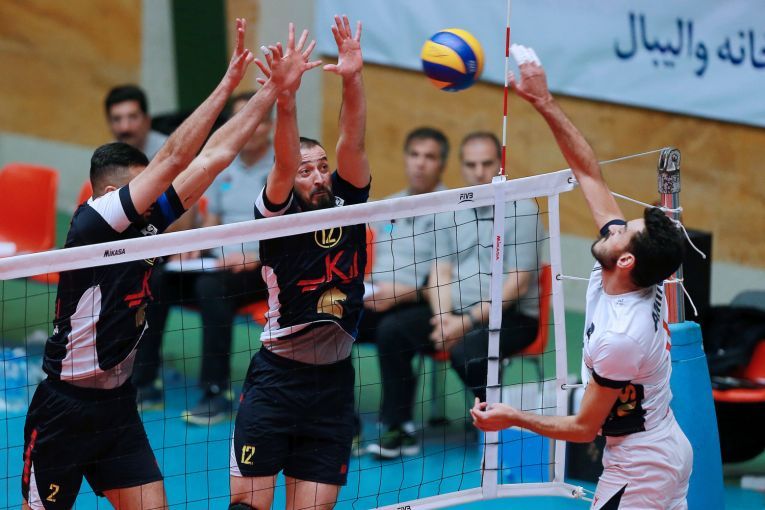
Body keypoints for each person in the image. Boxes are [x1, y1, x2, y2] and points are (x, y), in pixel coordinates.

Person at [22, 20, 316, 510]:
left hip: (117, 407)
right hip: (64, 409)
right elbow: (177, 156)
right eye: (145, 187)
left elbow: (213, 157)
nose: (155, 196)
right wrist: (226, 83)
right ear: (113, 193)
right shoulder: (94, 222)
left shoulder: (144, 224)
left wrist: (271, 92)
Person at [471, 45, 692, 509]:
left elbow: (583, 428)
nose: (613, 227)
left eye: (623, 232)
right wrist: (543, 101)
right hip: (660, 445)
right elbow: (589, 174)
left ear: (626, 261)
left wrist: (513, 417)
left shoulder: (621, 337)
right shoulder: (631, 268)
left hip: (642, 465)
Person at [229, 15, 369, 510]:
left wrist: (352, 78)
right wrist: (285, 100)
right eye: (308, 170)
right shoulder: (277, 216)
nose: (318, 176)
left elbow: (352, 142)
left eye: (323, 167)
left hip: (333, 385)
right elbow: (284, 164)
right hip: (277, 381)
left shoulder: (351, 205)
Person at [369, 131, 545, 459]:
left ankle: (497, 423)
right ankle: (399, 427)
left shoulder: (523, 210)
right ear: (461, 167)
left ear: (501, 164)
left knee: (468, 352)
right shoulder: (452, 209)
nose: (479, 172)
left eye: (486, 164)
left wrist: (465, 322)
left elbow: (518, 284)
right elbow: (441, 270)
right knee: (392, 330)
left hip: (512, 316)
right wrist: (443, 319)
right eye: (471, 165)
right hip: (455, 312)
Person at [132, 91, 275, 423]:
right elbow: (211, 222)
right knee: (160, 278)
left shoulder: (282, 168)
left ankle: (216, 393)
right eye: (240, 120)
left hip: (263, 265)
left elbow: (290, 231)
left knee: (210, 289)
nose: (247, 127)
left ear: (268, 126)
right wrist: (194, 246)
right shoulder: (225, 165)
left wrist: (253, 256)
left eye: (254, 120)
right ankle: (144, 383)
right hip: (218, 263)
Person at [359, 126, 451, 458]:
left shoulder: (453, 210)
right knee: (332, 318)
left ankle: (401, 427)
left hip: (424, 302)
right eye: (414, 154)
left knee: (392, 332)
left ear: (442, 164)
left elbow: (448, 277)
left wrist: (403, 293)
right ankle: (337, 419)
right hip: (376, 297)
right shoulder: (389, 205)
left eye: (429, 157)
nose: (420, 163)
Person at [105, 84, 168, 160]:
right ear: (109, 123)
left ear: (147, 121)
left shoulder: (169, 152)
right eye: (117, 119)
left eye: (132, 117)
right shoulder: (106, 157)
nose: (125, 128)